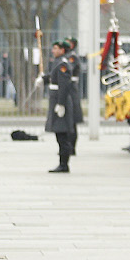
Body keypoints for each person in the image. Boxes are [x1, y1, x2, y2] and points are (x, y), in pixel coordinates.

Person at [45, 40, 81, 172]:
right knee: (59, 134)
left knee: (62, 134)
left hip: (61, 101)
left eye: (56, 48)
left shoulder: (63, 64)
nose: (53, 51)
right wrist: (43, 79)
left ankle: (64, 164)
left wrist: (61, 104)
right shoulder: (59, 62)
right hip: (57, 100)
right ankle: (62, 163)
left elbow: (64, 86)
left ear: (62, 50)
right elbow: (53, 77)